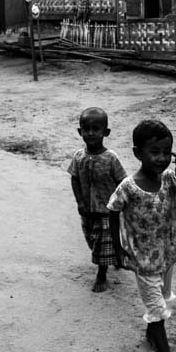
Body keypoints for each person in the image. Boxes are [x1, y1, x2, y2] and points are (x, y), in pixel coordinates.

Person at [107, 119, 176, 352]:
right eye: (154, 152)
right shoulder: (129, 187)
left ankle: (151, 332)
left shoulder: (170, 179)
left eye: (166, 152)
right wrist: (118, 248)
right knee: (157, 310)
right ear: (138, 153)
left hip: (167, 255)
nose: (161, 158)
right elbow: (112, 211)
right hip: (143, 261)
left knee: (163, 298)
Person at [68, 107, 127, 292]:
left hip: (107, 211)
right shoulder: (79, 157)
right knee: (92, 240)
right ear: (80, 131)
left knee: (103, 243)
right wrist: (80, 202)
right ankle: (116, 254)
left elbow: (123, 181)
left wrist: (121, 204)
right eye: (86, 129)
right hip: (87, 210)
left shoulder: (111, 158)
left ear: (106, 132)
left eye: (96, 129)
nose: (91, 133)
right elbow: (75, 178)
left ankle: (101, 274)